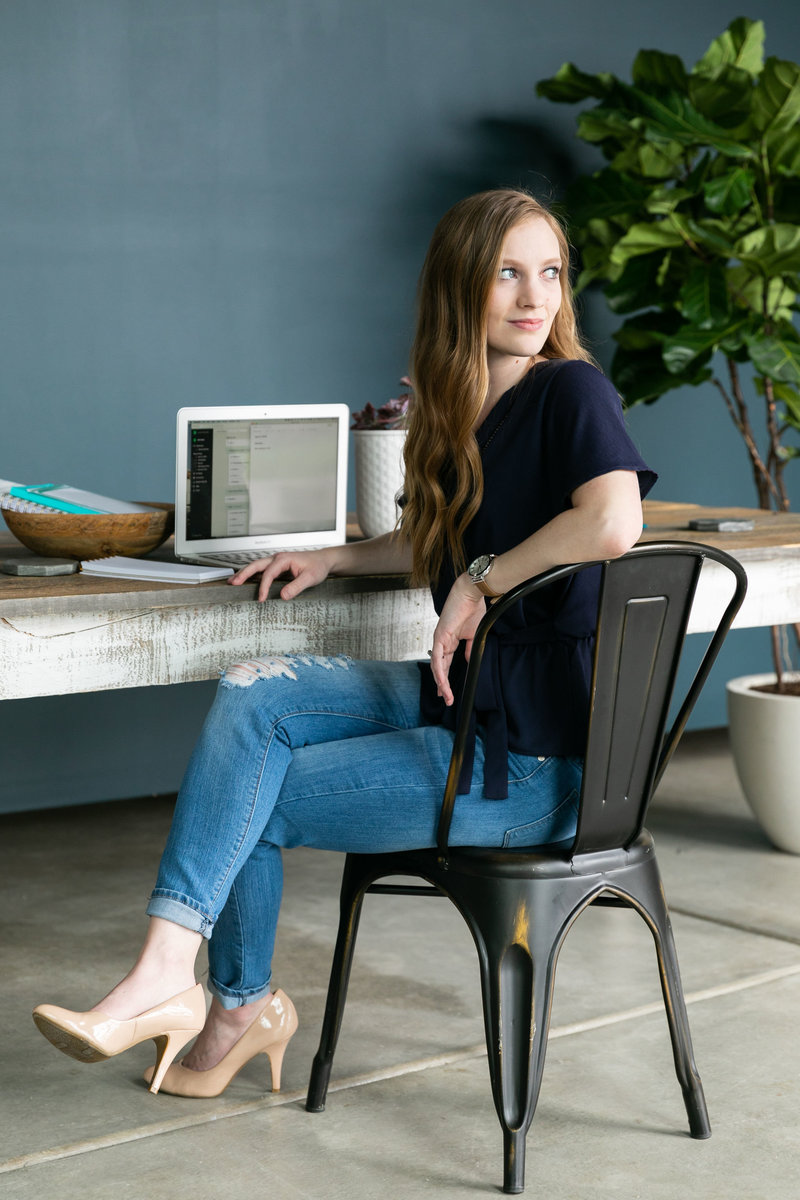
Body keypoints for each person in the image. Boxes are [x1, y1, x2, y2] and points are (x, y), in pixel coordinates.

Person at [32, 188, 655, 1097]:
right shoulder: (456, 418)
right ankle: (175, 979)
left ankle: (235, 1007)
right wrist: (339, 554)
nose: (535, 296)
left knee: (252, 794)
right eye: (507, 273)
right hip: (463, 699)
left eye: (551, 272)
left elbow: (613, 522)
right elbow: (440, 540)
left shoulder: (573, 390)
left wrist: (483, 582)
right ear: (460, 290)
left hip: (530, 762)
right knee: (256, 692)